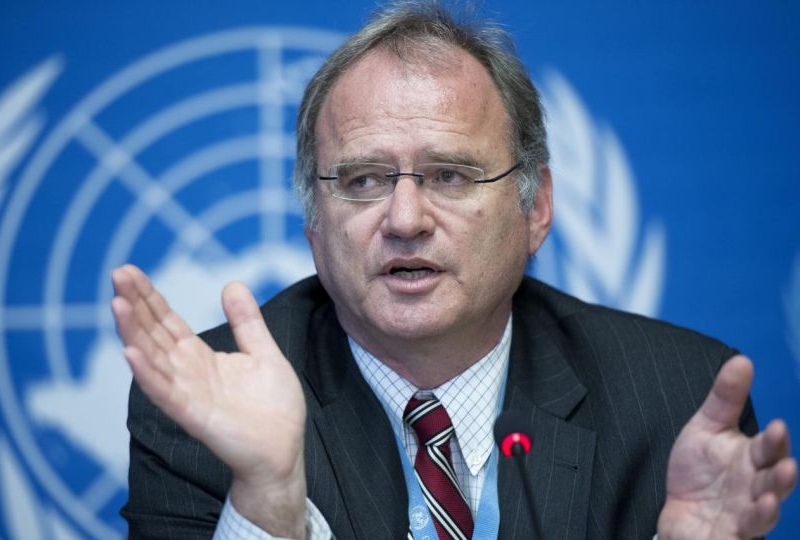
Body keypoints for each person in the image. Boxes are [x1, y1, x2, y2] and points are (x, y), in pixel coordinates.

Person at [111, 2, 797, 539]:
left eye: (450, 175)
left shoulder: (675, 401)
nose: (405, 218)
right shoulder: (205, 409)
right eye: (363, 180)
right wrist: (265, 501)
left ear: (537, 207)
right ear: (312, 222)